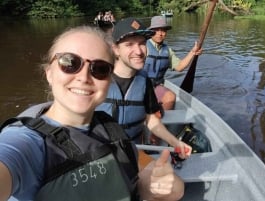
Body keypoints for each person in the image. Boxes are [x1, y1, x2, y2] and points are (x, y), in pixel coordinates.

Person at [0, 25, 184, 201]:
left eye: (100, 69)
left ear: (109, 80)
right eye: (69, 62)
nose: (84, 77)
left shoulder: (110, 129)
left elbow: (167, 188)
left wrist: (155, 185)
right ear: (49, 73)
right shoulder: (26, 142)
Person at [95, 17, 192, 159]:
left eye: (142, 44)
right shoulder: (97, 78)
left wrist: (175, 142)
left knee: (172, 181)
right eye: (129, 45)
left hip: (133, 152)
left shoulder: (144, 81)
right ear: (116, 50)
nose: (139, 51)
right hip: (101, 155)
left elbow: (152, 120)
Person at [144, 15, 203, 110]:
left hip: (156, 86)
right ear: (151, 32)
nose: (160, 33)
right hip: (141, 86)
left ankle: (162, 122)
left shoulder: (167, 50)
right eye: (157, 30)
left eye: (163, 30)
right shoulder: (143, 46)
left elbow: (180, 67)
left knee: (170, 97)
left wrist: (193, 52)